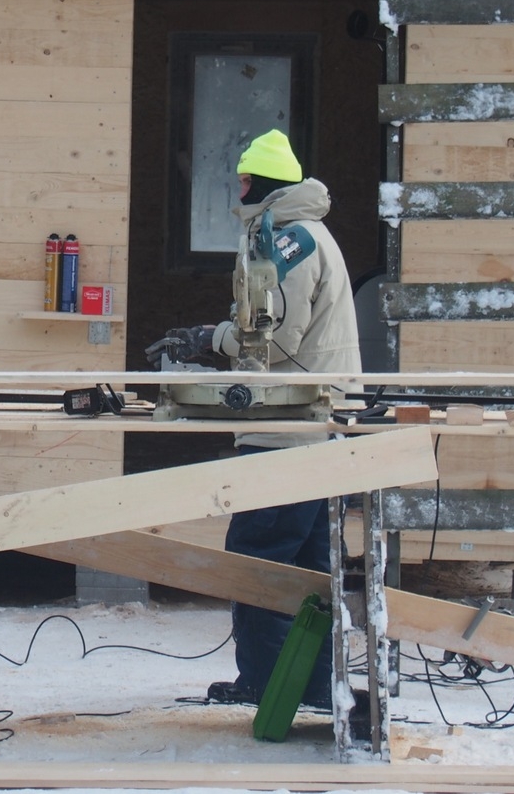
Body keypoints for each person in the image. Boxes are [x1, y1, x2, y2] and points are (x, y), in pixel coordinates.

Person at [176, 129, 360, 713]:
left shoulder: (289, 240)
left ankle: (263, 680)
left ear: (265, 184)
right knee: (307, 570)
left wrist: (214, 339)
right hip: (311, 426)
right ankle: (313, 686)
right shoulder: (303, 233)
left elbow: (274, 341)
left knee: (257, 562)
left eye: (246, 180)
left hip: (288, 429)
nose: (239, 188)